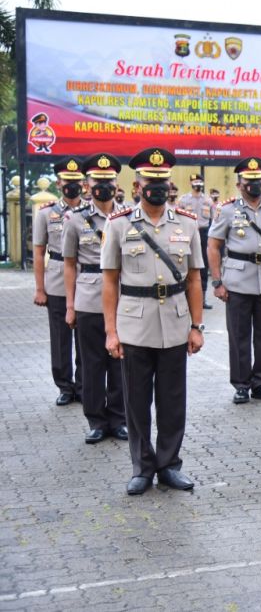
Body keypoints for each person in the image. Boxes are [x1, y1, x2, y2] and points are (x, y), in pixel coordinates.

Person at [101, 147, 204, 495]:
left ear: (169, 184)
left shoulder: (187, 224)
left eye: (162, 180)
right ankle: (142, 467)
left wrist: (196, 326)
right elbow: (110, 281)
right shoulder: (118, 225)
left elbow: (193, 279)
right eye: (150, 180)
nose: (157, 186)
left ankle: (169, 465)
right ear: (137, 184)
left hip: (175, 324)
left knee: (173, 401)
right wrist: (111, 332)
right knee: (136, 401)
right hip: (135, 325)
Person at [62, 153, 128, 443]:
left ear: (116, 183)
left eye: (108, 180)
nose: (103, 185)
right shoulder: (75, 220)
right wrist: (69, 305)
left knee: (119, 360)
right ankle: (96, 421)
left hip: (124, 296)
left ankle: (118, 418)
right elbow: (68, 263)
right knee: (92, 362)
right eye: (98, 181)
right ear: (88, 185)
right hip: (89, 297)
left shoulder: (127, 216)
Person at [207, 157, 261, 406]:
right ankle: (241, 384)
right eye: (249, 181)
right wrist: (217, 281)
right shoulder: (227, 210)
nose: (254, 185)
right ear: (239, 185)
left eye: (258, 180)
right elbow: (214, 246)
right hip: (237, 280)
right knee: (238, 335)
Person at [33, 156, 84, 406]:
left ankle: (84, 385)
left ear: (83, 183)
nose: (71, 185)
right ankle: (65, 386)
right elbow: (39, 251)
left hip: (85, 280)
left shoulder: (90, 212)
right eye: (67, 180)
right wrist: (40, 289)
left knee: (85, 337)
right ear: (59, 183)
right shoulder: (46, 214)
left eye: (76, 180)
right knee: (60, 337)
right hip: (56, 279)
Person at [178, 173, 214, 308]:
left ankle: (202, 298)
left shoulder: (208, 201)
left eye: (199, 182)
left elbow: (213, 220)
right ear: (191, 184)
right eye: (195, 182)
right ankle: (186, 296)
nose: (197, 184)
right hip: (187, 234)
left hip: (203, 233)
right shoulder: (183, 200)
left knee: (202, 265)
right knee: (186, 264)